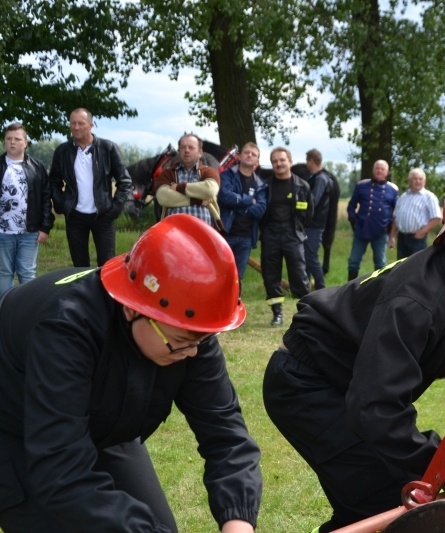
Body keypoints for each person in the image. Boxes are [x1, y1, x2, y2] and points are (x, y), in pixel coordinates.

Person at [263, 161, 445, 532]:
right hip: (307, 382)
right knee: (388, 505)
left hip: (362, 389)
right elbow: (375, 408)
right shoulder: (416, 300)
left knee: (388, 501)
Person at [0, 214, 261, 533]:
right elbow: (60, 469)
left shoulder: (189, 328)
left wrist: (239, 519)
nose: (192, 354)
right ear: (132, 308)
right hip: (16, 429)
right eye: (180, 342)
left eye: (202, 340)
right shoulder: (65, 330)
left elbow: (226, 433)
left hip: (101, 428)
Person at [48, 108, 132, 267]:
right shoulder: (62, 151)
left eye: (81, 123)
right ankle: (82, 292)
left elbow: (125, 181)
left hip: (103, 215)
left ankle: (104, 293)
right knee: (79, 266)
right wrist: (61, 205)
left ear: (91, 125)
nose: (76, 127)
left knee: (106, 265)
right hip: (75, 216)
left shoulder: (108, 148)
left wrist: (113, 211)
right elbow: (53, 181)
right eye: (73, 123)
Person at [260, 147, 312, 326]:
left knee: (299, 275)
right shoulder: (265, 186)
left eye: (282, 160)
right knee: (271, 275)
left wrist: (299, 232)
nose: (278, 164)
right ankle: (277, 314)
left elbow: (308, 213)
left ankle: (307, 314)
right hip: (270, 234)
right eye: (274, 161)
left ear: (290, 161)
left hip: (293, 234)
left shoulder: (302, 186)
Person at [0, 123, 53, 295]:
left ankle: (26, 310)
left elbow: (46, 198)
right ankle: (5, 310)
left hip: (30, 232)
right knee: (4, 273)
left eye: (17, 139)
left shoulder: (36, 168)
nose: (12, 142)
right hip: (2, 232)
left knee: (27, 273)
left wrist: (45, 227)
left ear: (25, 143)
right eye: (9, 139)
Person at [217, 142, 268, 284]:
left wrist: (238, 205)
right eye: (246, 152)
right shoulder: (226, 175)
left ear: (257, 161)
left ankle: (234, 304)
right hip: (226, 233)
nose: (249, 155)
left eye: (253, 154)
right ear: (239, 156)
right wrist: (249, 200)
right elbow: (225, 197)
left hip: (246, 238)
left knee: (237, 277)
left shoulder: (260, 184)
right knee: (220, 273)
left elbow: (260, 210)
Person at [153, 133, 221, 228]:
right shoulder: (167, 173)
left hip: (203, 231)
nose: (187, 150)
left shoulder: (209, 171)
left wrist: (178, 187)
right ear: (179, 151)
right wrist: (197, 200)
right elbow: (162, 197)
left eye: (191, 147)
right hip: (173, 231)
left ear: (200, 152)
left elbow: (210, 190)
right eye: (183, 147)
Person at [346, 159, 398, 280]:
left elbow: (396, 213)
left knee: (381, 263)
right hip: (361, 229)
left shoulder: (393, 190)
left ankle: (379, 290)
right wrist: (353, 221)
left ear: (387, 172)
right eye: (377, 168)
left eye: (382, 169)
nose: (379, 171)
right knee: (354, 261)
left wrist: (392, 234)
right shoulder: (362, 186)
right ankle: (350, 288)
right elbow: (351, 206)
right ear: (373, 170)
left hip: (381, 231)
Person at [389, 167, 442, 259]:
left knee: (417, 266)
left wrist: (422, 232)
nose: (418, 181)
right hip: (402, 237)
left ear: (424, 181)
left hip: (417, 238)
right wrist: (392, 236)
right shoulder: (403, 197)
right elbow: (395, 218)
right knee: (401, 265)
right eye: (415, 179)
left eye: (420, 179)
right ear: (409, 181)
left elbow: (436, 218)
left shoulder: (429, 197)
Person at [304, 148, 335, 290]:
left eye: (307, 161)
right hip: (312, 223)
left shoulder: (321, 178)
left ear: (311, 161)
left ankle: (321, 287)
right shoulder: (318, 177)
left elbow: (314, 201)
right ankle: (306, 284)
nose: (306, 164)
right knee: (307, 255)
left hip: (315, 224)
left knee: (311, 256)